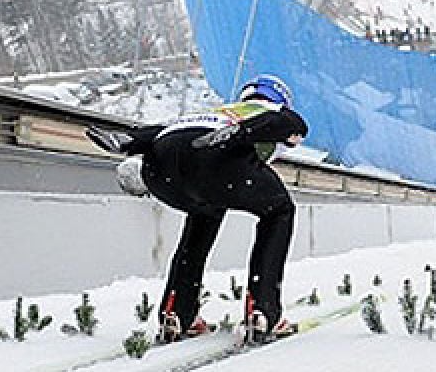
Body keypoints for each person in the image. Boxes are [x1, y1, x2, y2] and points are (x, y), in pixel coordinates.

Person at [86, 74, 307, 344]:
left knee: (205, 213)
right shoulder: (268, 109)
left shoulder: (219, 111)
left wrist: (130, 141)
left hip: (160, 169)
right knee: (279, 211)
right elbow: (294, 124)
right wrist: (245, 133)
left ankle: (179, 311)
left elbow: (162, 131)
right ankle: (264, 310)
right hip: (218, 162)